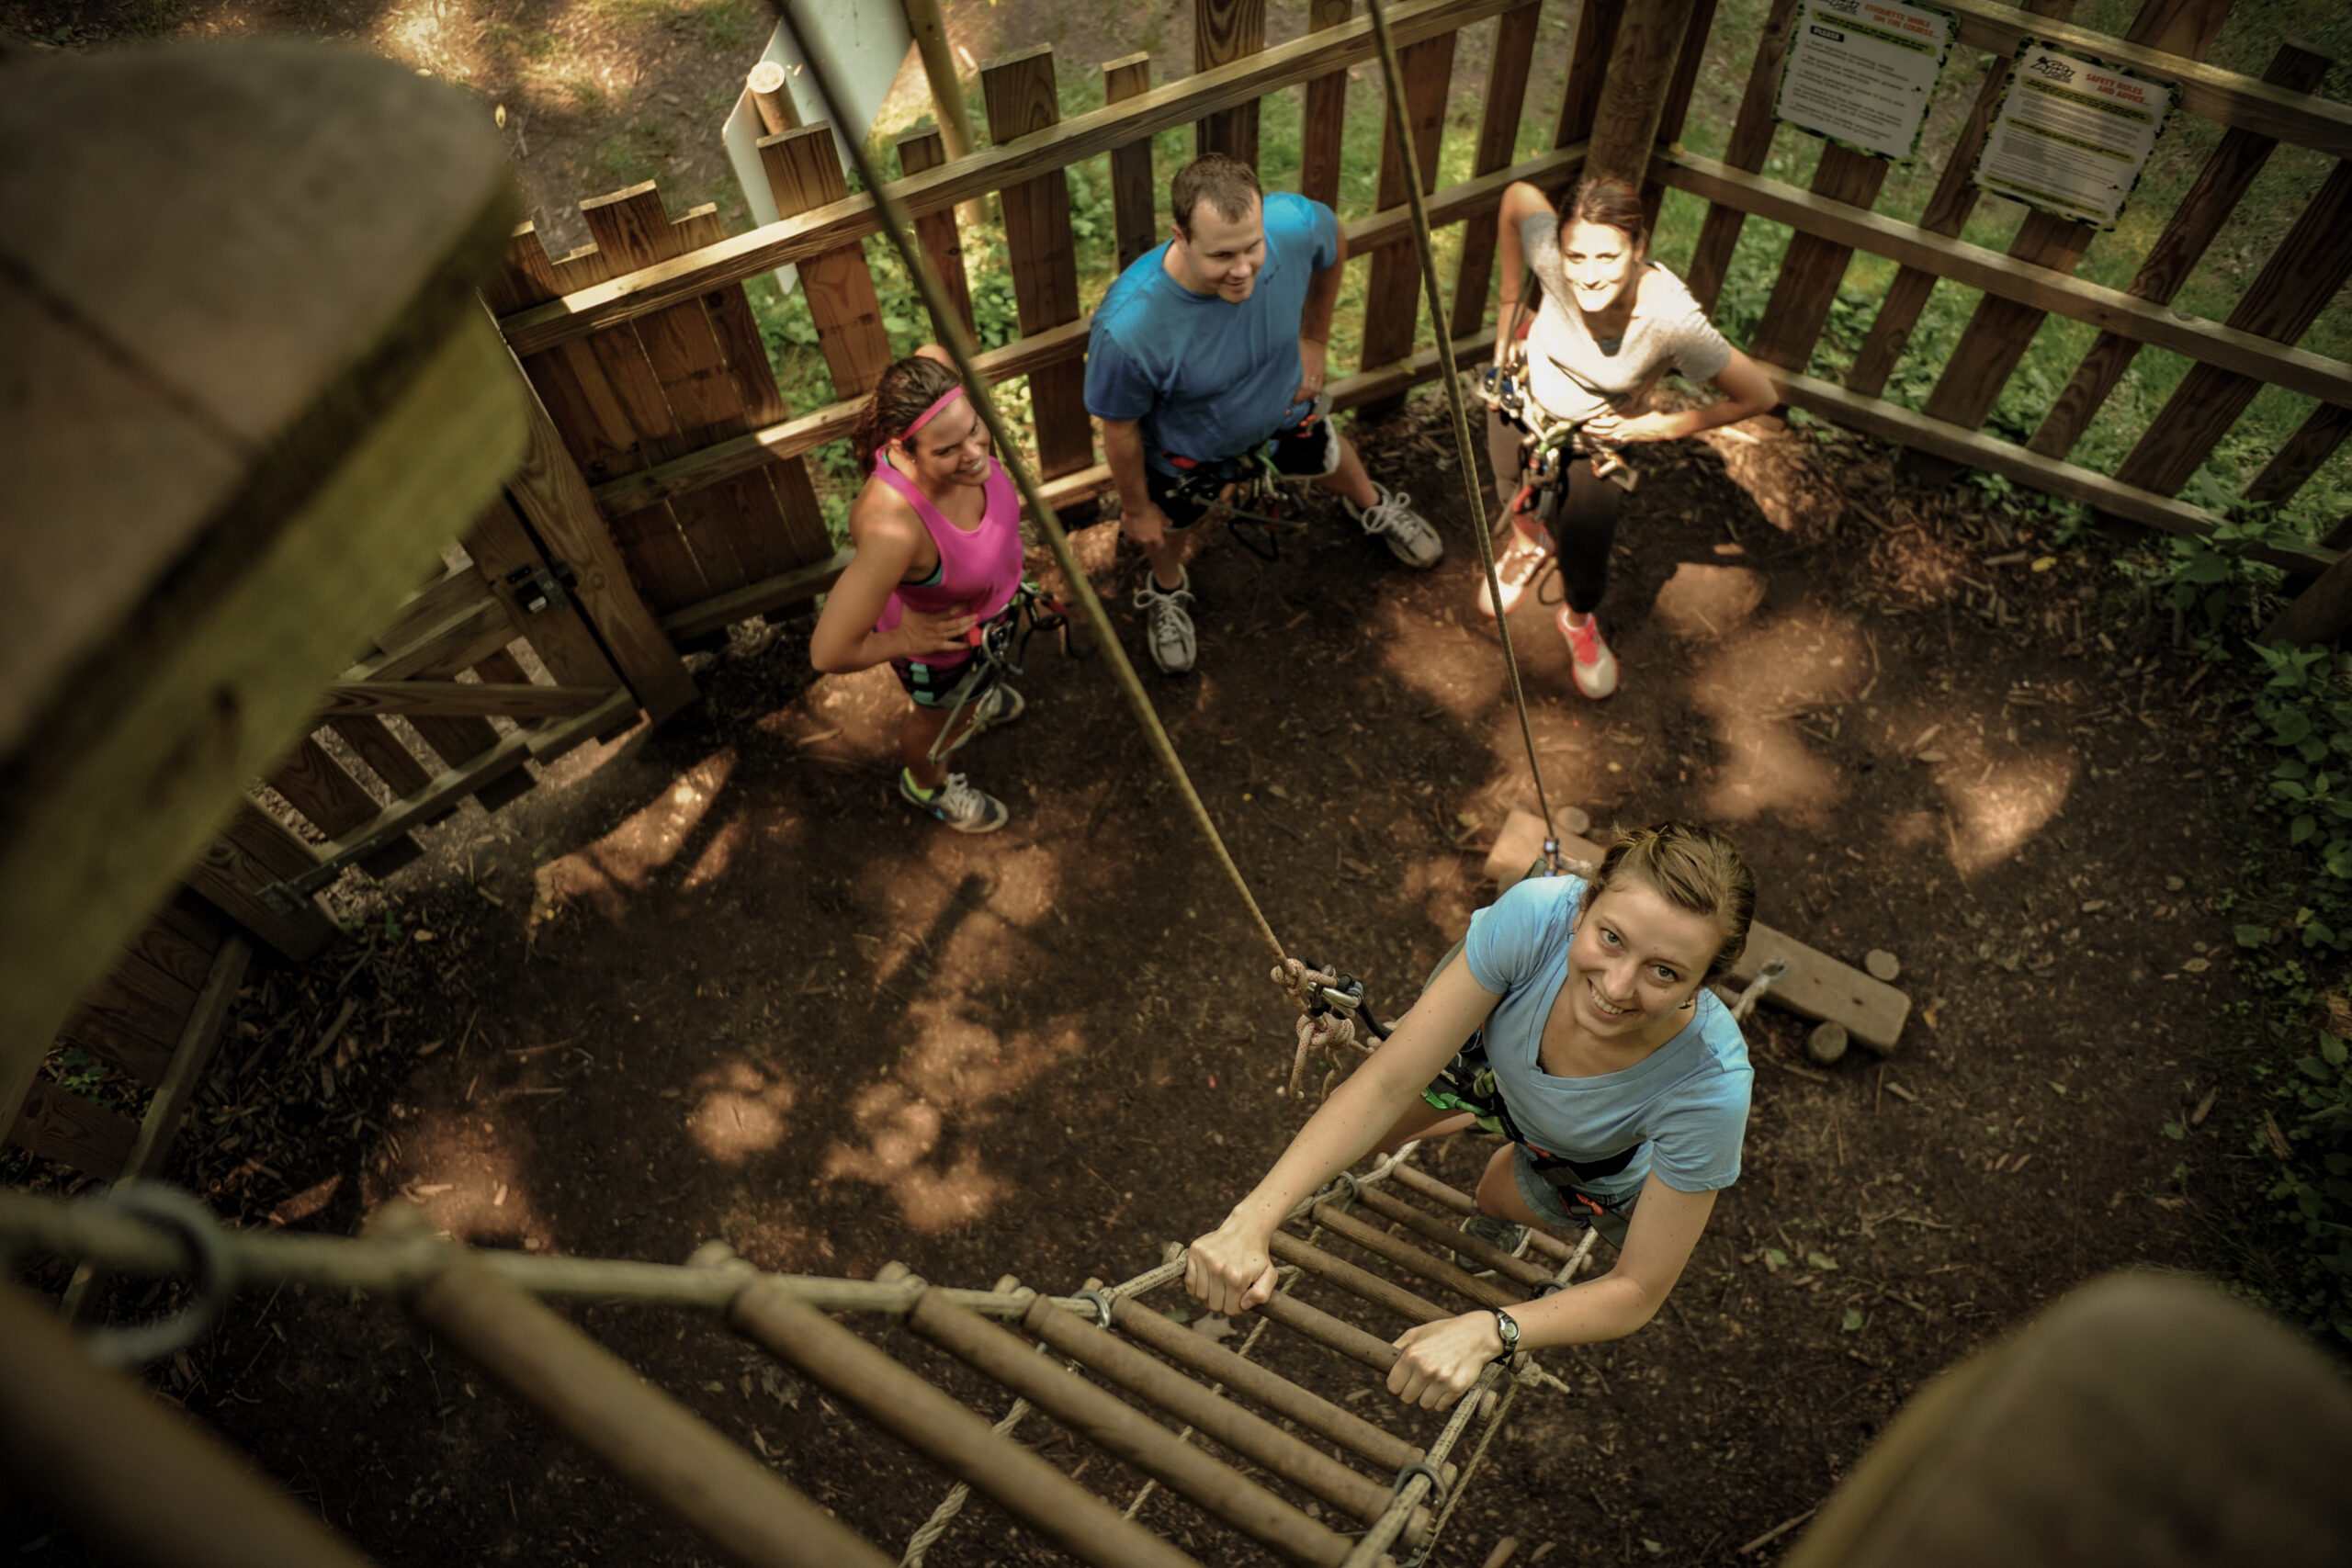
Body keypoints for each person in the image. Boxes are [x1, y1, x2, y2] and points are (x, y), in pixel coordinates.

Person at [1187, 823, 1756, 1412]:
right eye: (1611, 937)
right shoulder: (1535, 920)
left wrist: (1494, 1330)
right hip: (1486, 1069)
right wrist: (1249, 1223)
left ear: (1705, 982)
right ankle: (1472, 1113)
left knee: (1495, 1192)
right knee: (1358, 1137)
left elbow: (1638, 1288)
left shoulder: (1708, 1090)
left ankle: (1495, 1194)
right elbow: (1384, 1082)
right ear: (1583, 906)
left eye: (1664, 972)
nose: (1616, 986)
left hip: (1582, 1157)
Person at [1086, 153, 1445, 675]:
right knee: (1167, 526)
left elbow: (1331, 241)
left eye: (1252, 247)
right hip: (1185, 454)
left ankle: (1372, 504)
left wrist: (1314, 338)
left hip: (1282, 407)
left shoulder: (1290, 226)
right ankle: (1167, 588)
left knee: (1328, 452)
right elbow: (1118, 426)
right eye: (1221, 254)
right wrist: (1137, 509)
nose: (1242, 269)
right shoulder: (1130, 328)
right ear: (1180, 236)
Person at [1480, 176, 1775, 698]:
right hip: (1521, 402)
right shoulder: (1551, 255)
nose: (1588, 277)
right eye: (1576, 257)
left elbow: (1758, 395)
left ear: (1639, 250)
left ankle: (1577, 622)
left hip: (1594, 442)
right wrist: (1509, 305)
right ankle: (1528, 546)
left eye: (1608, 258)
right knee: (1510, 493)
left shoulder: (1672, 322)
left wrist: (1658, 427)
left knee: (1587, 564)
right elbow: (1516, 198)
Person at [810, 350, 1026, 833]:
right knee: (938, 723)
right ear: (904, 450)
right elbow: (828, 651)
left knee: (971, 699)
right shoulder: (896, 528)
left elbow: (932, 353)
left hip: (987, 620)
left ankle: (979, 698)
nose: (973, 453)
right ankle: (927, 783)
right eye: (947, 450)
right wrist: (905, 641)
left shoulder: (944, 410)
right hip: (945, 655)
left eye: (973, 429)